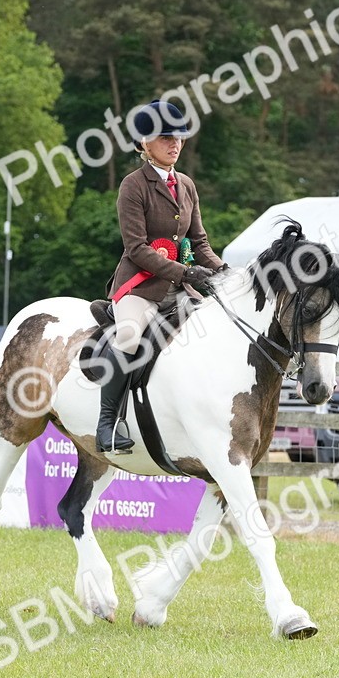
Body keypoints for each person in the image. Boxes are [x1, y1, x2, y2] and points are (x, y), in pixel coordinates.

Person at [97, 99, 226, 453]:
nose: (175, 144)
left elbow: (198, 242)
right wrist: (186, 271)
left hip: (181, 288)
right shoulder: (132, 186)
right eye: (166, 137)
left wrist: (225, 273)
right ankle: (109, 422)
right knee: (127, 337)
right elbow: (137, 249)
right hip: (140, 287)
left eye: (180, 137)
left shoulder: (186, 185)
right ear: (143, 143)